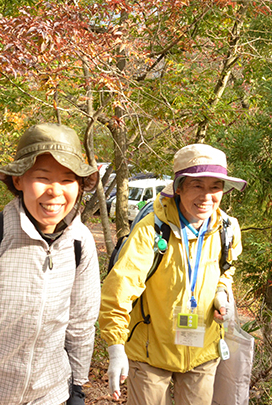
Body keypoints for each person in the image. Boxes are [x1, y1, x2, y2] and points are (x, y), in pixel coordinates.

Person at [0, 123, 101, 405]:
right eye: (43, 178)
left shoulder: (79, 240)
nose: (55, 192)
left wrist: (76, 387)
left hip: (51, 394)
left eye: (67, 180)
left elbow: (81, 324)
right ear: (18, 180)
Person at [100, 144, 246, 405]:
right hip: (150, 352)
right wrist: (115, 346)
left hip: (203, 352)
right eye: (197, 185)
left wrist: (221, 294)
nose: (207, 196)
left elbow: (226, 270)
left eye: (215, 187)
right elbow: (120, 288)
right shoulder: (153, 230)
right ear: (178, 187)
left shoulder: (227, 229)